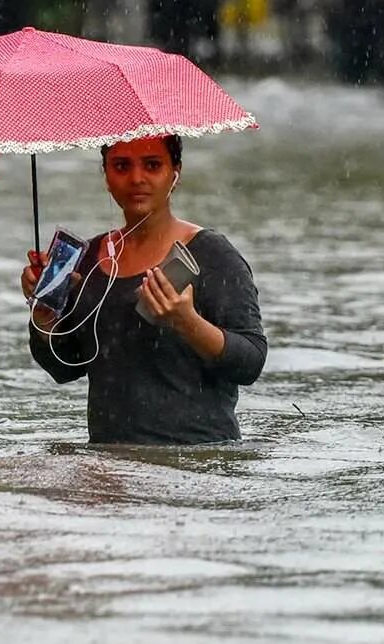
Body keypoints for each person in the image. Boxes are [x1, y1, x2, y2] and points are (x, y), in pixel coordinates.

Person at [21, 135, 266, 445]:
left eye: (152, 165)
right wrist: (45, 318)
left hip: (196, 459)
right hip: (111, 463)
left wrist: (186, 322)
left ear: (175, 173)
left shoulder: (213, 255)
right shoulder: (90, 258)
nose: (137, 178)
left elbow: (251, 362)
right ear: (106, 175)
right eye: (121, 166)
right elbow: (65, 367)